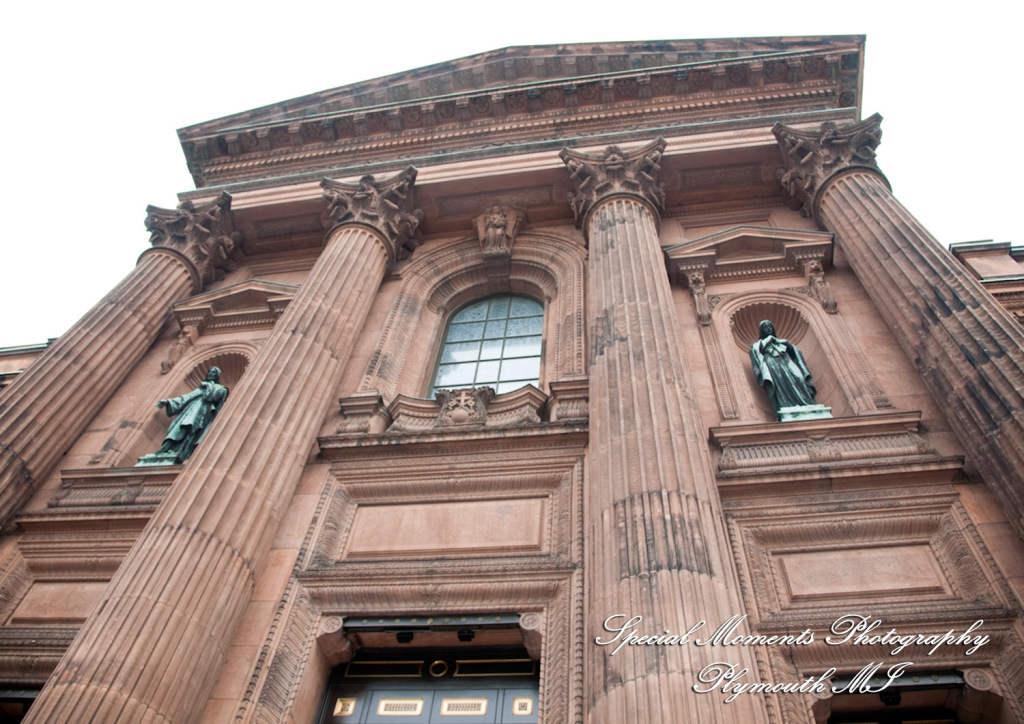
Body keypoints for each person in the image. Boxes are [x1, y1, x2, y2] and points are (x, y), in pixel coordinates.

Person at [145, 367, 229, 464]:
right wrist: (168, 402)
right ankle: (164, 451)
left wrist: (209, 386)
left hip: (203, 413)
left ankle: (182, 452)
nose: (210, 374)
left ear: (217, 376)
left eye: (213, 372)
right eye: (209, 372)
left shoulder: (221, 389)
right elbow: (186, 398)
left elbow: (213, 397)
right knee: (177, 430)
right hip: (189, 411)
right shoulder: (200, 388)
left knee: (190, 431)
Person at [750, 320, 817, 418]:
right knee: (781, 385)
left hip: (786, 361)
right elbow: (755, 351)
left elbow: (795, 353)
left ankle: (807, 403)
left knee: (798, 378)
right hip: (773, 365)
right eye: (765, 327)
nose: (768, 328)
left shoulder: (780, 342)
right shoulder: (760, 343)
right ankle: (786, 405)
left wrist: (787, 343)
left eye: (770, 326)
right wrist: (768, 339)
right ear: (762, 331)